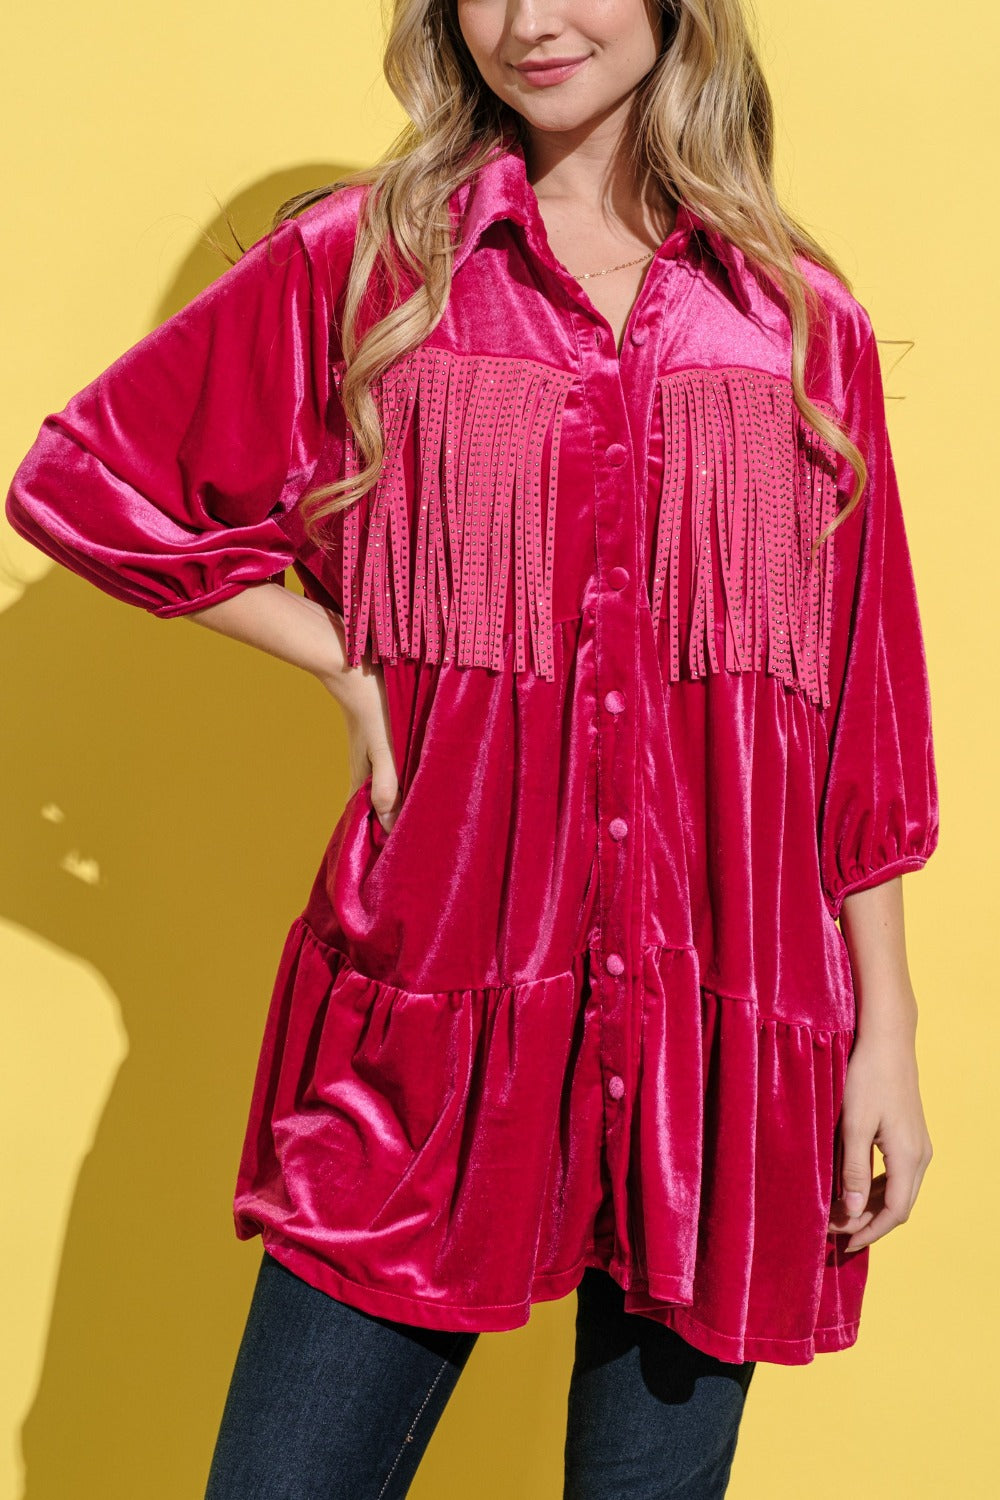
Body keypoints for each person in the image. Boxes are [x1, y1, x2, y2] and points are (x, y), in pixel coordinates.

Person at [5, 0, 940, 1495]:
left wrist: (883, 1028)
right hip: (433, 1007)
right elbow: (90, 483)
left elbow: (860, 692)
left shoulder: (794, 318)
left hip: (725, 1021)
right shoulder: (373, 264)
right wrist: (340, 655)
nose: (528, 20)